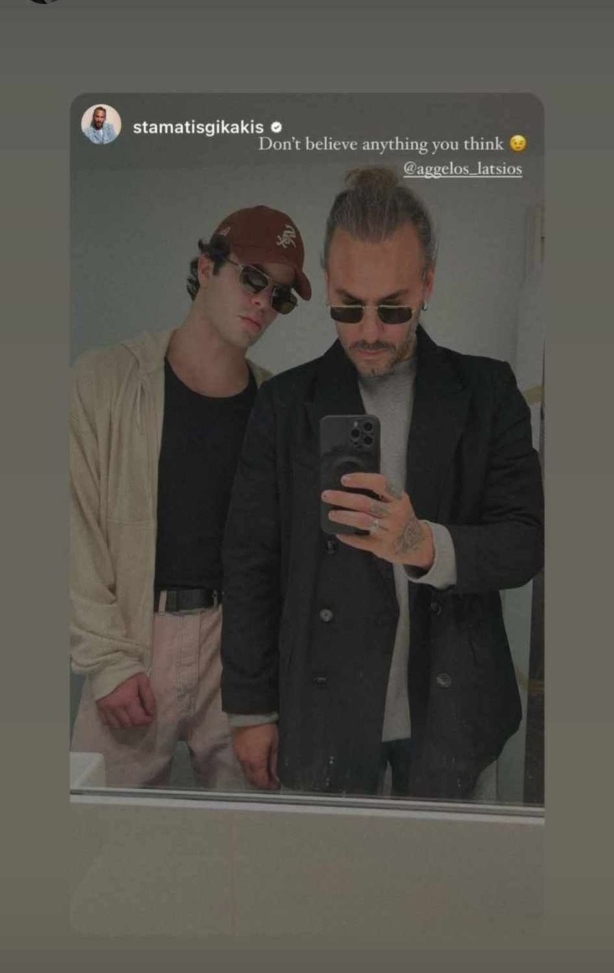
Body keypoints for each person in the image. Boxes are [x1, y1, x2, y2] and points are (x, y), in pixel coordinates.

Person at [221, 168, 544, 801]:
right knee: (330, 868)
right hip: (324, 710)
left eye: (393, 308)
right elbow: (250, 562)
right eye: (348, 306)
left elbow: (524, 541)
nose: (369, 331)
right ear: (328, 286)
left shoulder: (487, 392)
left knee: (451, 867)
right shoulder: (284, 405)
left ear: (427, 285)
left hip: (453, 707)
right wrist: (251, 710)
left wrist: (422, 544)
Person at [70, 205, 312, 789]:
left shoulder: (277, 406)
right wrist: (106, 660)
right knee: (98, 829)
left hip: (238, 649)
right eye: (252, 278)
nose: (263, 302)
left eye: (280, 296)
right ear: (206, 267)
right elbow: (69, 528)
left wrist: (266, 681)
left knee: (249, 831)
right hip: (134, 636)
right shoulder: (105, 380)